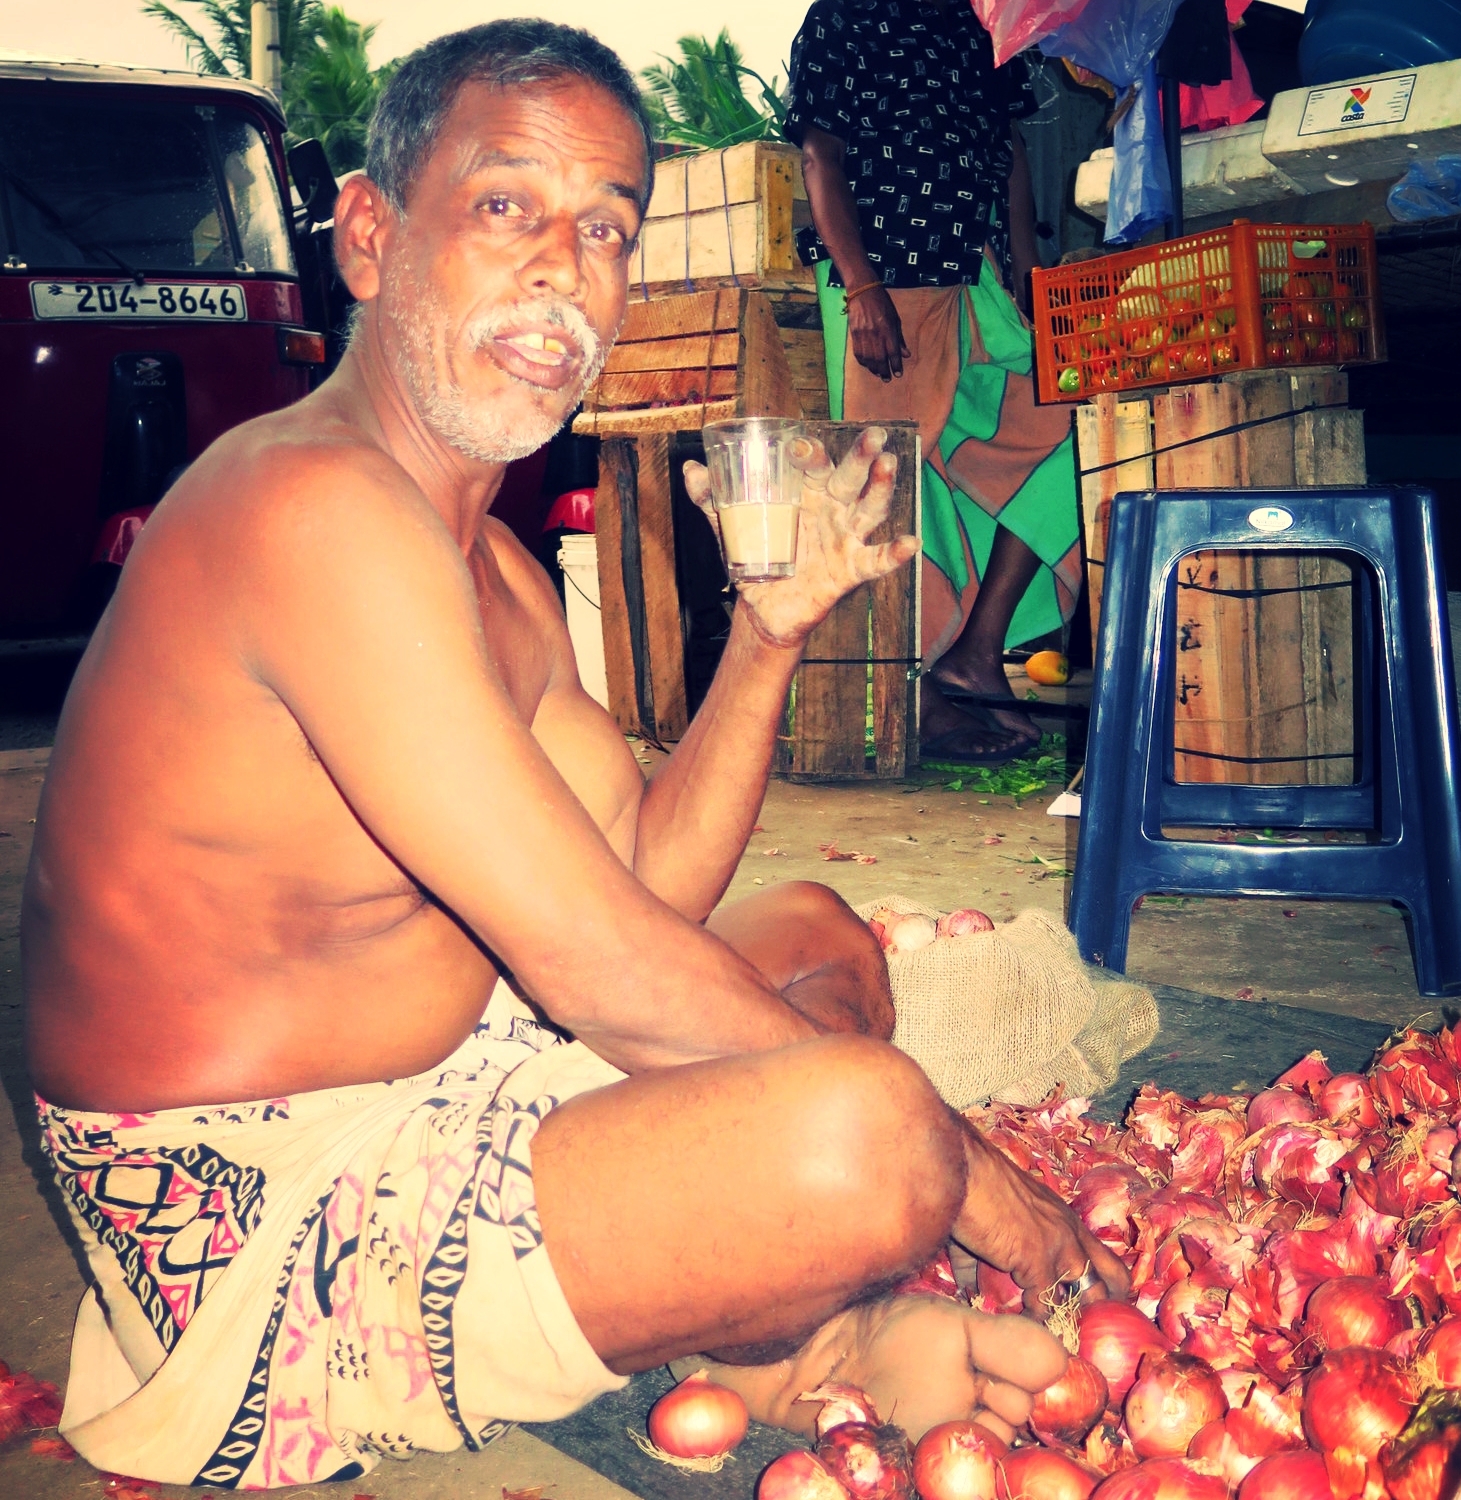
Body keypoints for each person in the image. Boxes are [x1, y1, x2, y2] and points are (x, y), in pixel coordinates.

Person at [20, 20, 1124, 1490]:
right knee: (875, 1140)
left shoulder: (492, 569)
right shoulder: (306, 507)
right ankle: (786, 1330)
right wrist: (989, 1192)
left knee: (811, 937)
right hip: (253, 1203)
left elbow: (647, 886)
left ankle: (748, 1316)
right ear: (368, 236)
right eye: (505, 207)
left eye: (607, 227)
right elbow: (603, 966)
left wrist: (770, 636)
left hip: (447, 1081)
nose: (566, 268)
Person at [786, 0, 1083, 763]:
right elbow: (820, 154)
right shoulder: (844, 17)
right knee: (888, 487)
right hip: (886, 279)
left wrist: (1026, 283)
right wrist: (861, 289)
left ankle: (978, 653)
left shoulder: (978, 27)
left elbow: (1008, 153)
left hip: (974, 279)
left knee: (1066, 432)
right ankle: (909, 698)